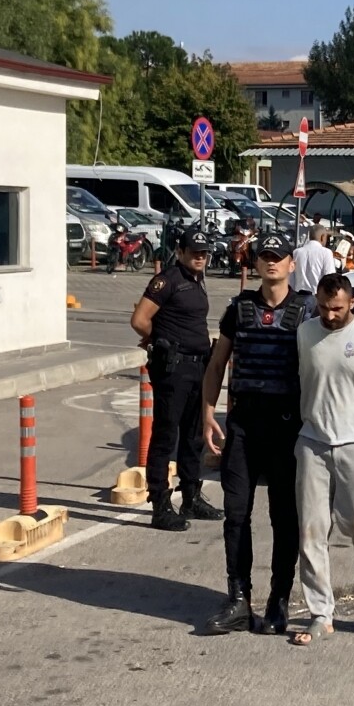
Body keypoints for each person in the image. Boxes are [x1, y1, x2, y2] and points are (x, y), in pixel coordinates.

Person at [201, 233, 313, 635]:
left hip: (286, 428)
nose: (271, 264)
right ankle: (238, 599)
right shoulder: (239, 309)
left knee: (284, 518)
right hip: (244, 425)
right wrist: (207, 414)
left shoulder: (307, 310)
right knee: (235, 515)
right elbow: (217, 366)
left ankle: (279, 600)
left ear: (291, 264)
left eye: (278, 258)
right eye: (265, 257)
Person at [292, 273, 354, 645]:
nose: (329, 315)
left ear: (352, 302)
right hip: (313, 441)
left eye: (337, 308)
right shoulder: (305, 333)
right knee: (312, 530)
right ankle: (321, 612)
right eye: (323, 307)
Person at [130, 227, 224, 532]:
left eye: (204, 252)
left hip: (198, 367)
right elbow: (140, 320)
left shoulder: (197, 280)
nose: (199, 257)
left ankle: (191, 497)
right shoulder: (167, 280)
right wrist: (159, 340)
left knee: (194, 435)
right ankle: (159, 504)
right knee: (166, 435)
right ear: (180, 252)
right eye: (194, 251)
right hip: (174, 368)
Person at [292, 224, 336, 295]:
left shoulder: (296, 252)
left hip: (298, 297)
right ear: (322, 237)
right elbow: (330, 278)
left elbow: (291, 279)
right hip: (318, 297)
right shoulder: (326, 252)